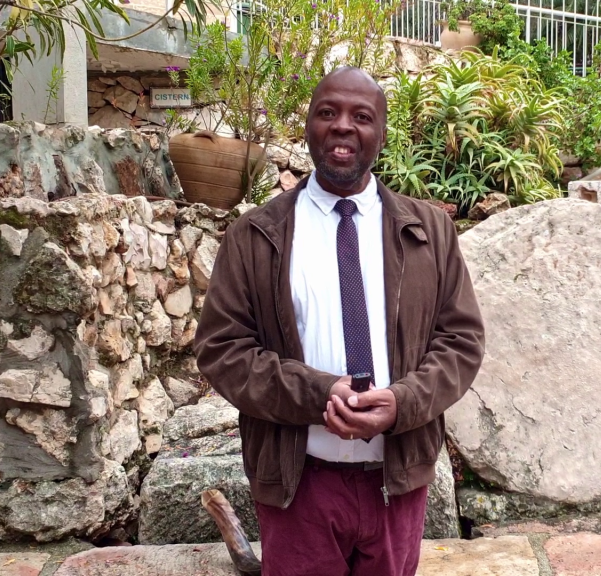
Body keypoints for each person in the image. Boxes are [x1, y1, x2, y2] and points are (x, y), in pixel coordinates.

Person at [194, 66, 485, 576]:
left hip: (396, 480)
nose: (343, 126)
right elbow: (223, 350)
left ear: (382, 133)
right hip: (297, 482)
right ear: (308, 125)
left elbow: (460, 341)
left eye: (362, 116)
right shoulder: (255, 235)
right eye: (327, 112)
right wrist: (320, 392)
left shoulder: (429, 231)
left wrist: (402, 402)